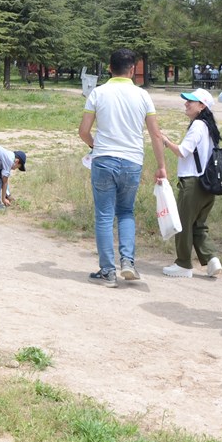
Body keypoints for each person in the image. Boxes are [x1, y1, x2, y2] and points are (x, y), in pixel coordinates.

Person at [78, 48, 167, 288]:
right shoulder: (143, 96)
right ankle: (128, 262)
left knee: (104, 215)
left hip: (104, 159)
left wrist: (95, 145)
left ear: (109, 67)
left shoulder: (98, 93)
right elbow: (156, 134)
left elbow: (83, 131)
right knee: (126, 212)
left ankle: (107, 271)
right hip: (132, 161)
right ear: (132, 70)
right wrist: (161, 166)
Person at [159, 88, 222, 279]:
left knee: (183, 224)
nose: (186, 104)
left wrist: (165, 141)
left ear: (202, 106)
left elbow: (183, 151)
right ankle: (211, 259)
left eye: (191, 101)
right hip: (207, 184)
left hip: (192, 183)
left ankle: (183, 264)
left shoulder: (198, 126)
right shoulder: (209, 127)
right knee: (198, 225)